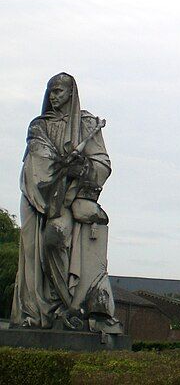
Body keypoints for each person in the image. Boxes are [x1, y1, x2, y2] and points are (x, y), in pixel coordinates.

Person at [11, 73, 120, 333]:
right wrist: (62, 167)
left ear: (72, 94)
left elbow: (102, 164)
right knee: (40, 245)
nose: (54, 96)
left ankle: (70, 305)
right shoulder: (39, 125)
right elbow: (38, 158)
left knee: (55, 237)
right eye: (51, 92)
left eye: (59, 91)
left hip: (70, 200)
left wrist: (82, 168)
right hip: (42, 199)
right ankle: (44, 311)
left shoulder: (87, 124)